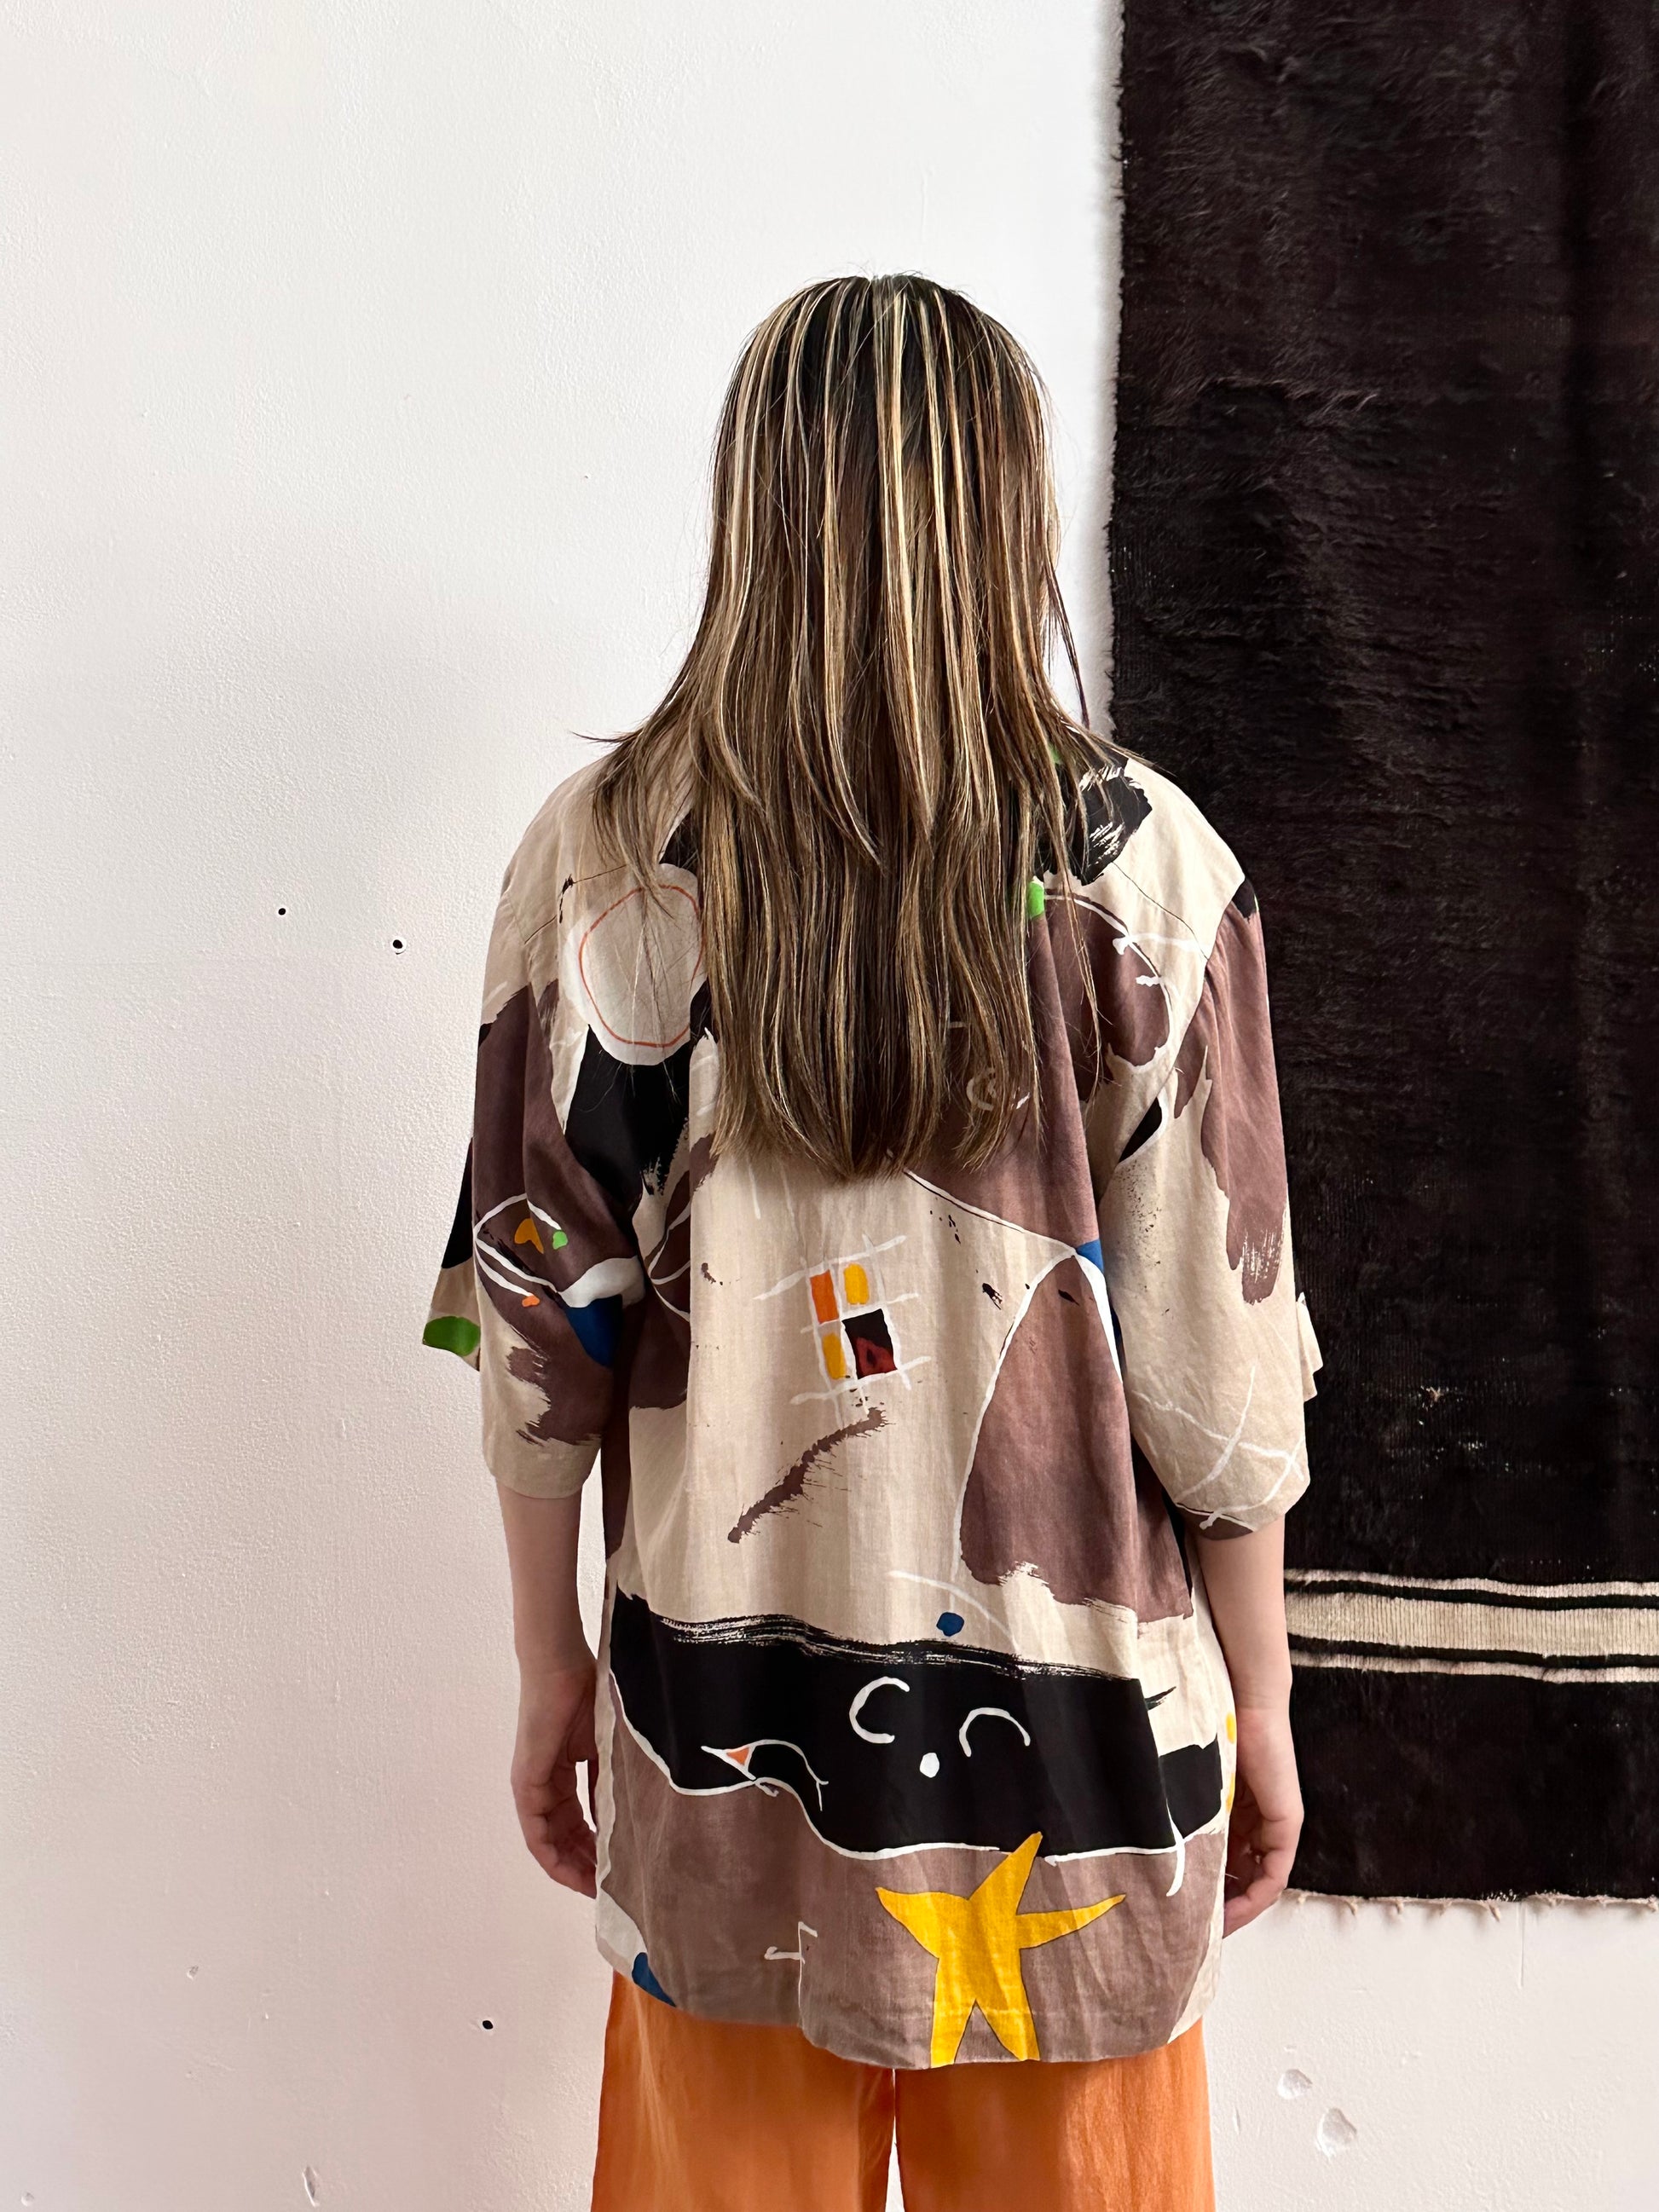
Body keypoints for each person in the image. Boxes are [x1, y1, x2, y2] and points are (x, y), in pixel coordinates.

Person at [423, 273, 1322, 2212]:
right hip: (1083, 1781)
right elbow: (1223, 1376)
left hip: (719, 1751)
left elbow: (531, 1329)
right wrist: (1260, 1700)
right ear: (1002, 507)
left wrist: (548, 1665)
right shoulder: (1143, 866)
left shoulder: (605, 854)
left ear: (755, 501)